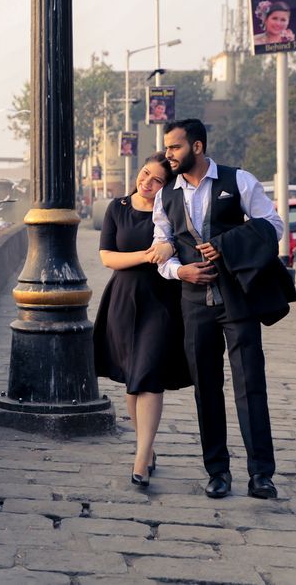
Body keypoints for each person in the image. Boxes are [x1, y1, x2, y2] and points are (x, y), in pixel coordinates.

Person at [153, 118, 296, 500]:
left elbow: (273, 224)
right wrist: (180, 270)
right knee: (206, 389)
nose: (169, 154)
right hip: (194, 304)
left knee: (251, 386)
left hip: (238, 300)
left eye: (175, 147)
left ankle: (261, 474)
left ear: (197, 147)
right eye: (167, 148)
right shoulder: (165, 194)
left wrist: (227, 245)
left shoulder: (239, 181)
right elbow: (161, 245)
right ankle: (217, 471)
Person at [94, 152, 192, 488]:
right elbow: (107, 256)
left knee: (149, 374)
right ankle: (147, 450)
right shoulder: (117, 207)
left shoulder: (173, 210)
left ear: (167, 185)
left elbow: (186, 245)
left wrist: (170, 248)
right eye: (145, 174)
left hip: (162, 301)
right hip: (122, 300)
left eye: (156, 180)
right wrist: (148, 255)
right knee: (132, 381)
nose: (146, 183)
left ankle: (140, 458)